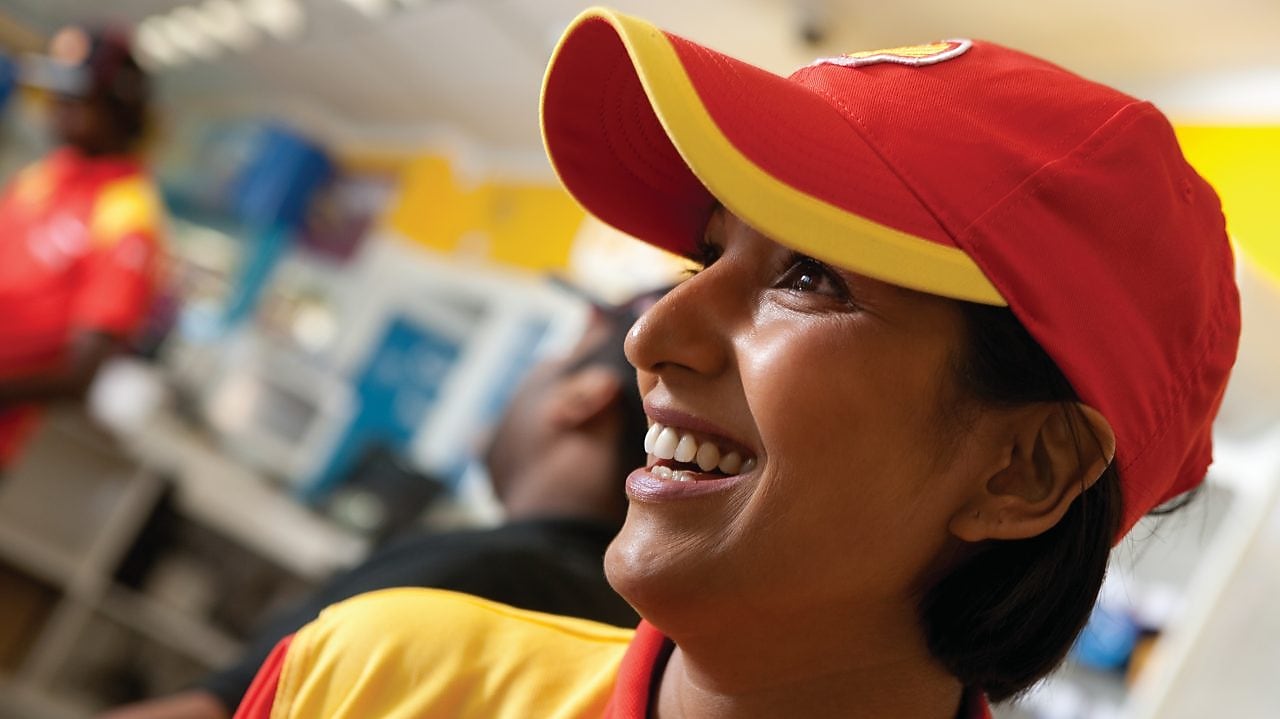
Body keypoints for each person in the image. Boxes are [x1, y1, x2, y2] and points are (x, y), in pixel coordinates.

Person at [230, 8, 1241, 718]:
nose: (649, 335)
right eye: (707, 255)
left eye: (809, 277)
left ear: (1022, 470)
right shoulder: (375, 680)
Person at [98, 288, 659, 719]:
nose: (531, 371)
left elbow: (228, 709)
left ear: (583, 399)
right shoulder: (614, 618)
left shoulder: (476, 576)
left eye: (561, 352)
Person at [0, 26, 165, 469]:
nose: (57, 108)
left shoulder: (128, 216)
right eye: (57, 95)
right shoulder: (50, 171)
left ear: (119, 108)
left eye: (76, 99)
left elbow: (78, 376)